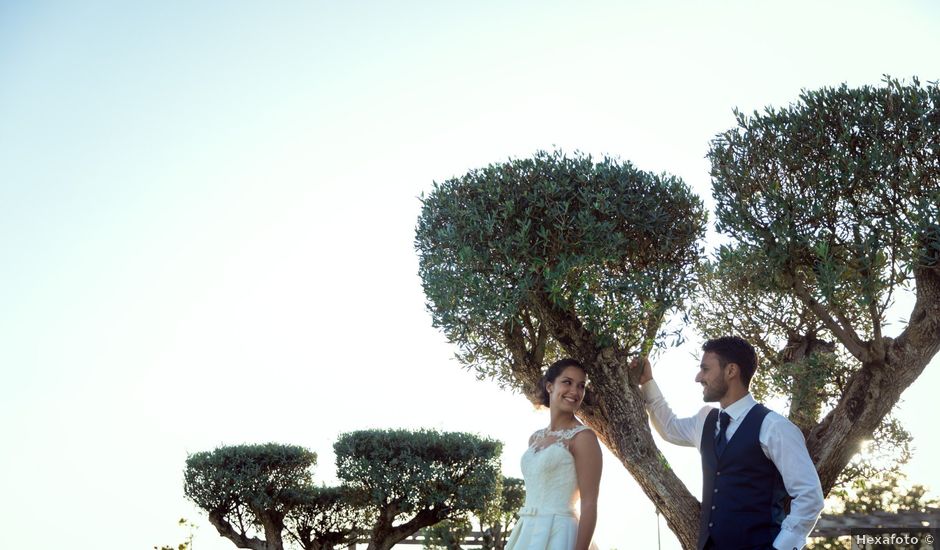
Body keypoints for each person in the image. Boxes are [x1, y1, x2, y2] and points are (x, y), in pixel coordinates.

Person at [633, 336, 824, 550]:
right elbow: (669, 427)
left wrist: (781, 548)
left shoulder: (774, 427)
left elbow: (809, 496)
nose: (698, 377)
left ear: (731, 371)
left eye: (705, 369)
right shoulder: (705, 420)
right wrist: (647, 382)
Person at [505, 358, 602, 550]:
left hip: (561, 534)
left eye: (581, 386)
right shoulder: (535, 438)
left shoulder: (583, 438)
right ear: (550, 386)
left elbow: (589, 503)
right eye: (567, 382)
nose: (575, 391)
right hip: (526, 532)